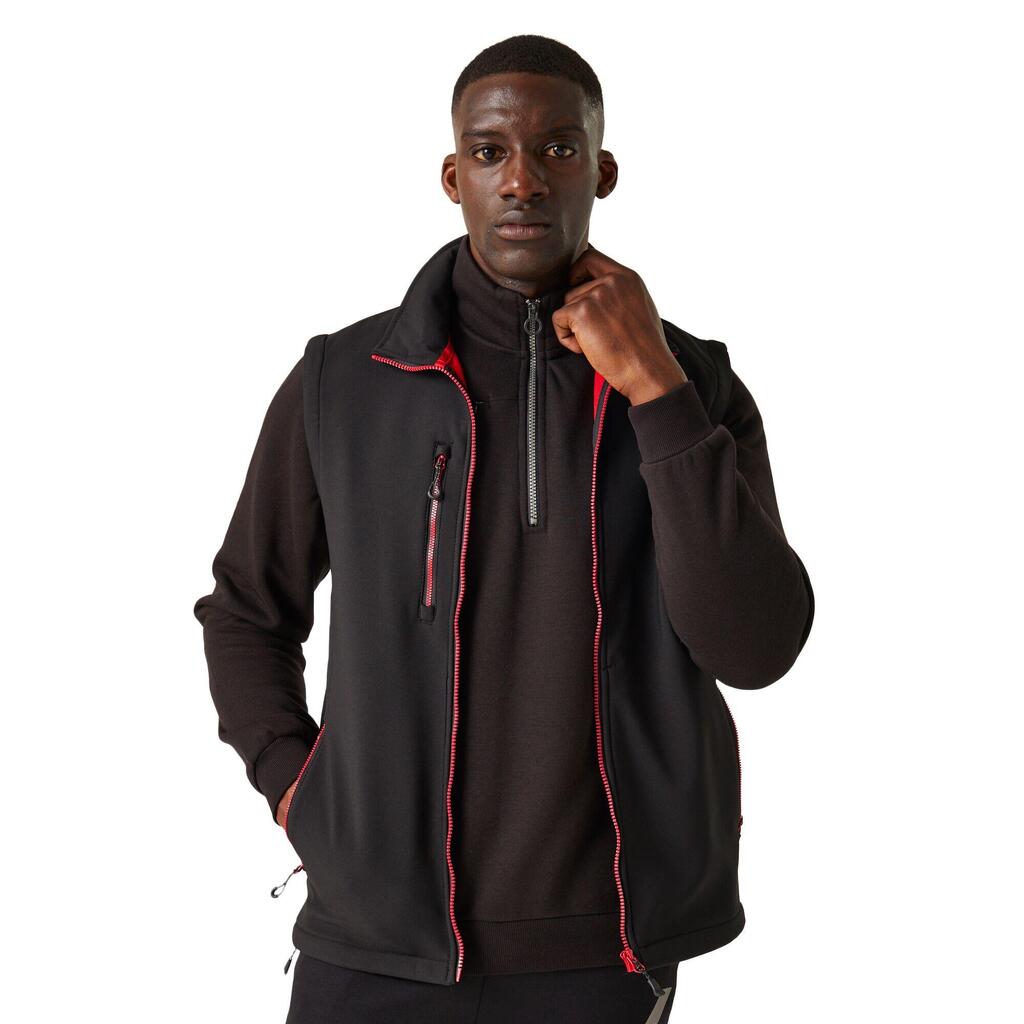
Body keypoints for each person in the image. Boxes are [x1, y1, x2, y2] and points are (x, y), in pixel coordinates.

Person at [193, 33, 815, 1024]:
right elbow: (245, 611)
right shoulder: (343, 382)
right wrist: (296, 786)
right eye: (490, 152)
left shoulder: (693, 383)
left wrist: (656, 391)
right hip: (373, 939)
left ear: (602, 172)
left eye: (557, 149)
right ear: (454, 177)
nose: (522, 179)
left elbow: (755, 646)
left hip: (603, 945)